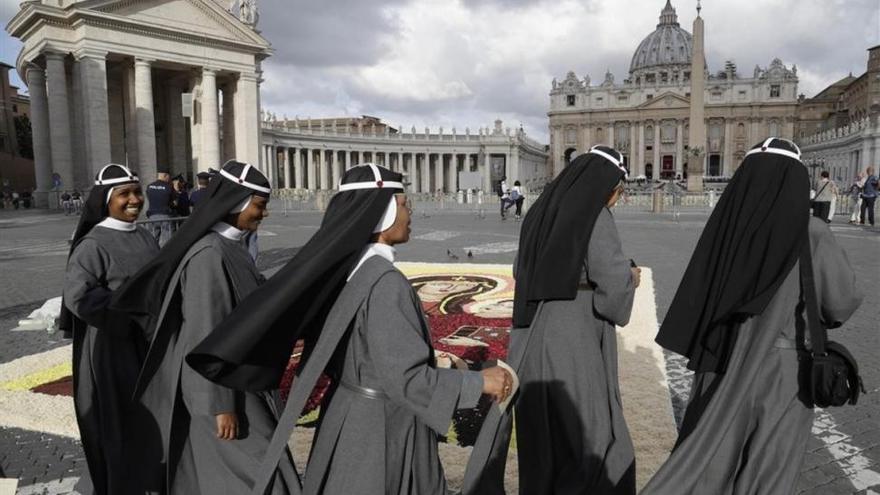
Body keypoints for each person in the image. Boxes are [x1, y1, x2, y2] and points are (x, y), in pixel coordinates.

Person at [187, 163, 514, 495]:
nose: (410, 210)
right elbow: (407, 381)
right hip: (381, 431)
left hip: (346, 418)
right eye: (403, 203)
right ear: (382, 212)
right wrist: (479, 382)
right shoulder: (386, 283)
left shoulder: (346, 272)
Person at [642, 138, 862, 495]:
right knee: (769, 472)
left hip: (719, 362)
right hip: (782, 373)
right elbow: (841, 303)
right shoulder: (812, 233)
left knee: (710, 464)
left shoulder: (725, 227)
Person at [111, 160, 297, 494]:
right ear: (236, 204)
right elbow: (205, 331)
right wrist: (220, 406)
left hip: (232, 381)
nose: (263, 213)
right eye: (259, 205)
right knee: (261, 473)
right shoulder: (210, 254)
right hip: (219, 391)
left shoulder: (229, 248)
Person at [463, 146, 639, 495]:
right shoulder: (596, 214)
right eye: (618, 191)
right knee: (591, 432)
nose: (617, 199)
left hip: (533, 330)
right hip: (573, 332)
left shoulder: (540, 211)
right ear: (608, 186)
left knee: (544, 435)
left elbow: (519, 268)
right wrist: (629, 278)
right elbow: (611, 279)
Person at [61, 164, 160, 495]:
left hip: (145, 343)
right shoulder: (93, 244)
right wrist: (129, 314)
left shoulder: (144, 234)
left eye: (137, 192)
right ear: (105, 199)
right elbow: (79, 297)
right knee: (122, 422)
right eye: (124, 194)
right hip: (112, 348)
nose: (134, 200)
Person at [146, 169, 176, 247]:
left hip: (152, 216)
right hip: (165, 216)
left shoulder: (149, 186)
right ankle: (167, 256)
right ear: (165, 175)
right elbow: (174, 200)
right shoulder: (169, 187)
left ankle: (153, 255)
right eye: (169, 176)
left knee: (153, 239)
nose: (169, 178)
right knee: (168, 241)